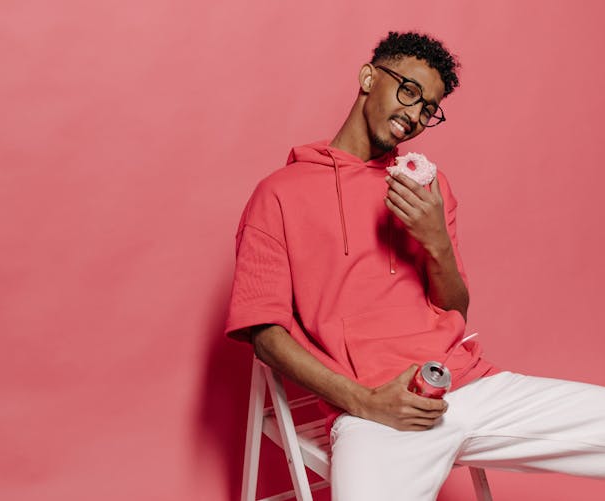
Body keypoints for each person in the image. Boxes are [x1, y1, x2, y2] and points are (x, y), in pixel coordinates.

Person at [225, 31, 605, 500]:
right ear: (368, 78)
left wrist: (436, 242)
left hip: (468, 386)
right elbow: (265, 335)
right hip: (376, 410)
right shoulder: (279, 193)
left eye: (429, 108)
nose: (414, 115)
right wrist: (364, 402)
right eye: (408, 91)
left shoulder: (427, 186)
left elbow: (456, 307)